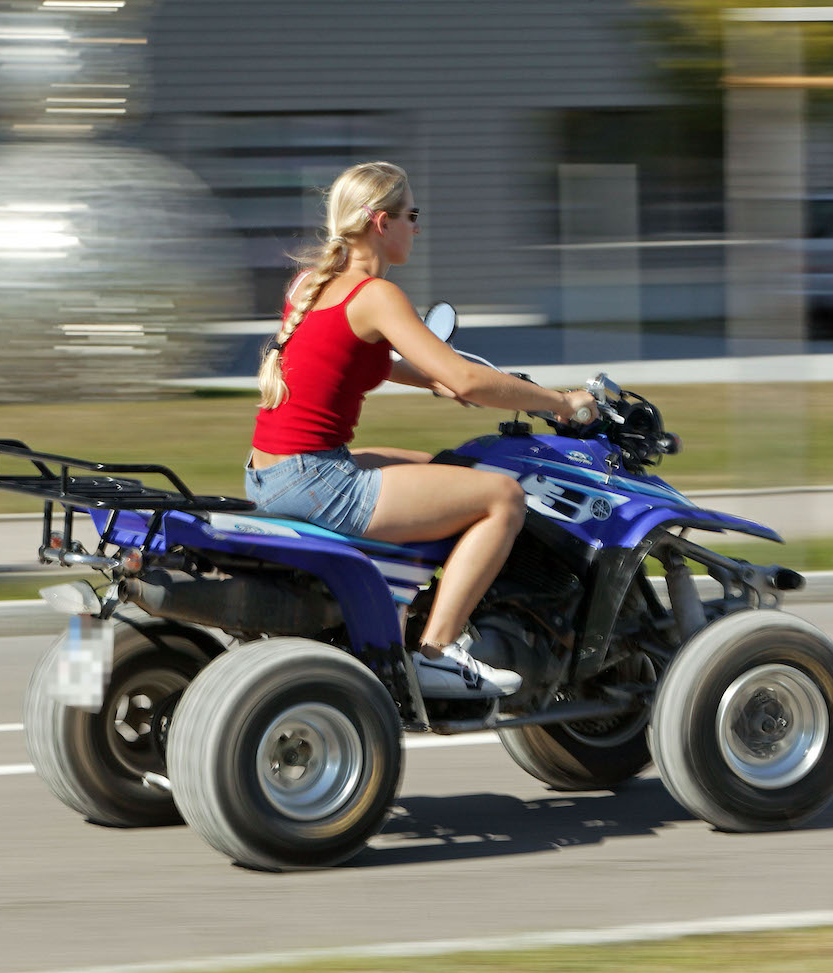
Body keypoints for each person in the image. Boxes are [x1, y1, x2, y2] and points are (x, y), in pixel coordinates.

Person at [246, 161, 596, 700]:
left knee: (443, 470)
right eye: (412, 215)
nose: (418, 226)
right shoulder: (376, 296)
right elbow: (467, 376)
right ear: (381, 223)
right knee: (502, 497)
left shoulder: (311, 284)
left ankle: (400, 605)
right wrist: (561, 402)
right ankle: (438, 652)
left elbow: (349, 359)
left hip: (270, 474)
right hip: (315, 480)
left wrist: (432, 381)